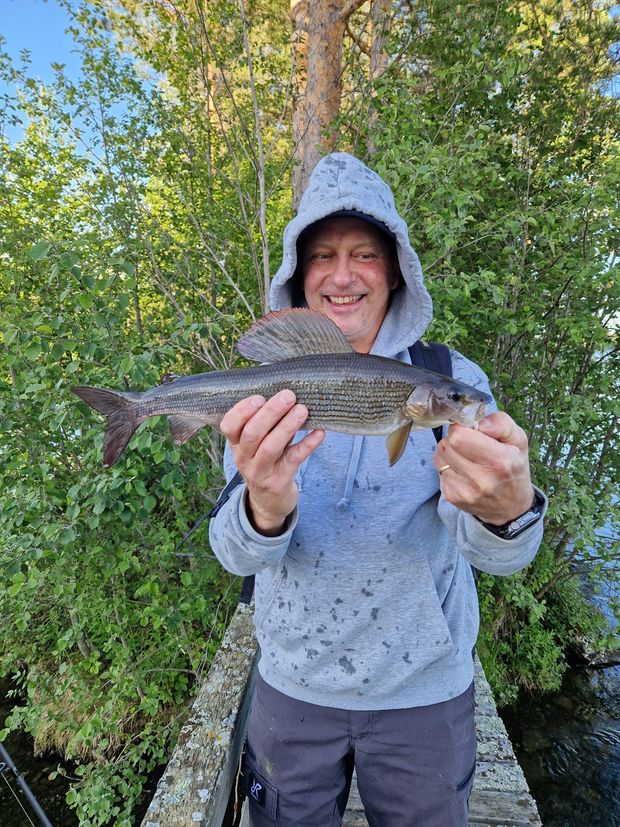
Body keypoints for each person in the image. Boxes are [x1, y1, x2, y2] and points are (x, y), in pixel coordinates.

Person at [209, 152, 547, 826]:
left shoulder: (450, 380)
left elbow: (502, 558)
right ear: (298, 274)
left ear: (395, 270)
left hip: (423, 694)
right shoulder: (267, 391)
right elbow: (234, 554)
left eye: (364, 254)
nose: (342, 275)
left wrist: (509, 514)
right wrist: (263, 508)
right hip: (293, 685)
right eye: (322, 255)